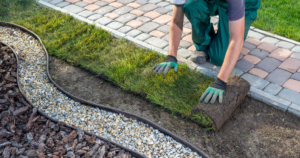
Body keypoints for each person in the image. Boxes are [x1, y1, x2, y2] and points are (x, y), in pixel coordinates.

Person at [152, 0, 260, 104]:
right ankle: (204, 43)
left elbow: (236, 39)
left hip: (246, 3)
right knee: (191, 5)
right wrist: (171, 55)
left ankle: (229, 27)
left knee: (219, 58)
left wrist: (220, 81)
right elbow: (176, 21)